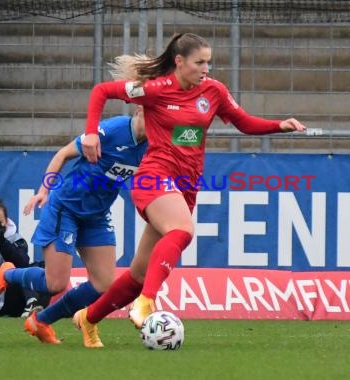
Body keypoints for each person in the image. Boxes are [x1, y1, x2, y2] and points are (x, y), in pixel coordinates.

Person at [72, 32, 307, 348]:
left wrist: (279, 125)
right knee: (182, 230)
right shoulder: (155, 90)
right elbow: (102, 91)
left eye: (208, 62)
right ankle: (147, 302)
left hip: (186, 185)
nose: (206, 68)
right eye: (200, 62)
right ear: (179, 62)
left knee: (139, 274)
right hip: (154, 175)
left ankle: (88, 319)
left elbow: (243, 121)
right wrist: (90, 134)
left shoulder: (214, 91)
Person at [0, 109, 147, 344]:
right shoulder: (112, 130)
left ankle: (40, 321)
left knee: (104, 283)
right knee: (55, 283)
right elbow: (63, 153)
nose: (160, 122)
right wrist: (44, 190)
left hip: (97, 216)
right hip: (66, 208)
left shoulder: (153, 144)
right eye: (154, 114)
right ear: (140, 110)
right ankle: (8, 274)